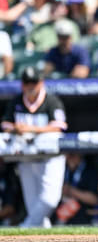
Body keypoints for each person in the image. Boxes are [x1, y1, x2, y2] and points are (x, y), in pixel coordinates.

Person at [1, 66, 68, 227]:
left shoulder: (51, 101)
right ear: (22, 84)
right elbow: (5, 124)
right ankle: (43, 234)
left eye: (34, 82)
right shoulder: (17, 101)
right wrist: (15, 128)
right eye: (27, 82)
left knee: (49, 200)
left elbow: (59, 127)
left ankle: (25, 227)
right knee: (34, 208)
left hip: (49, 158)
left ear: (41, 83)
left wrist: (31, 129)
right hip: (26, 158)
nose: (30, 86)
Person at [55, 153, 98, 225]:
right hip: (59, 213)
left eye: (73, 154)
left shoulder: (90, 170)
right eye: (68, 155)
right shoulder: (60, 168)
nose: (70, 158)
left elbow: (95, 200)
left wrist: (71, 190)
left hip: (82, 216)